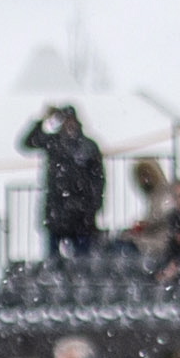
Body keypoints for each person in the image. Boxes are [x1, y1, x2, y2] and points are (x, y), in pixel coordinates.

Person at [22, 104, 106, 257]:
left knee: (82, 261)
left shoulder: (88, 146)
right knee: (54, 260)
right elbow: (27, 143)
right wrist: (42, 120)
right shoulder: (54, 142)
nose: (69, 124)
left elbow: (98, 180)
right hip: (57, 213)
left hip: (82, 216)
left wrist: (93, 207)